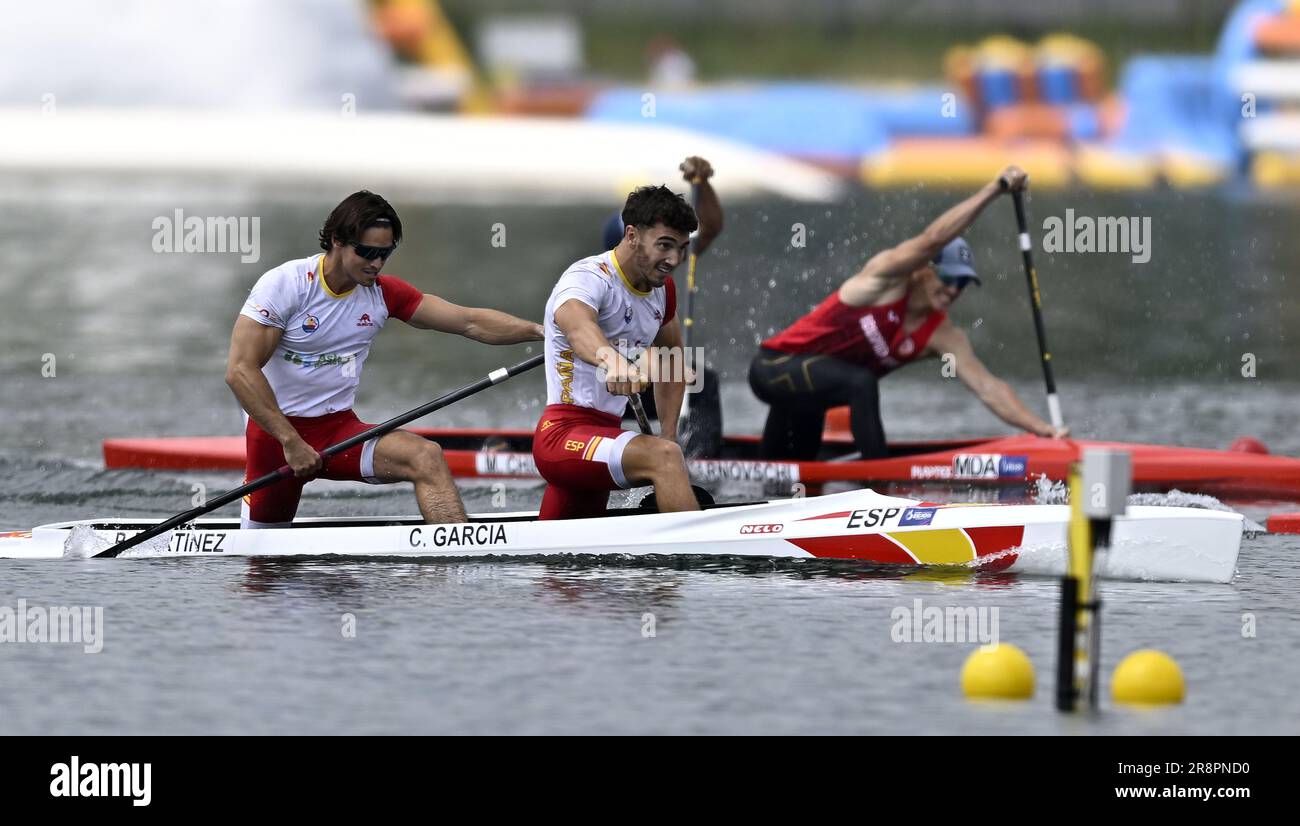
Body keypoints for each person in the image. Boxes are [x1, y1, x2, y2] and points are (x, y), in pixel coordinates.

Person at [226, 190, 543, 528]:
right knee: (262, 567)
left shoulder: (383, 293)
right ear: (336, 240)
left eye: (385, 253)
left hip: (338, 432)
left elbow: (469, 322)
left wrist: (543, 331)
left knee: (426, 457)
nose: (376, 263)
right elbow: (240, 371)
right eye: (366, 252)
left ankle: (459, 556)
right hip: (277, 437)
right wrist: (290, 440)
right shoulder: (286, 285)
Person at [749, 166, 1069, 461]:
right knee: (861, 383)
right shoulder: (883, 279)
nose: (954, 290)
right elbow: (933, 239)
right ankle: (878, 482)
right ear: (923, 270)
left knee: (785, 476)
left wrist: (1044, 430)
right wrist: (994, 189)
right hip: (773, 369)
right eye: (948, 277)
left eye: (963, 283)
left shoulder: (943, 335)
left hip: (809, 396)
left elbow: (989, 388)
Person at [534, 184, 699, 519]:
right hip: (562, 436)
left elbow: (673, 365)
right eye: (664, 245)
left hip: (601, 442)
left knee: (561, 566)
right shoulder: (587, 278)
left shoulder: (661, 290)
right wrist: (611, 361)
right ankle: (698, 562)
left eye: (682, 248)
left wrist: (669, 437)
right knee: (664, 459)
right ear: (632, 235)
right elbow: (579, 327)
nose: (674, 260)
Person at [602, 156, 724, 456]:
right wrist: (658, 364)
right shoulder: (598, 282)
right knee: (689, 374)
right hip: (603, 377)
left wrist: (703, 185)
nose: (671, 258)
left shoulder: (657, 271)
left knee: (702, 379)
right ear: (630, 241)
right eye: (661, 246)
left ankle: (698, 460)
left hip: (644, 378)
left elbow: (708, 229)